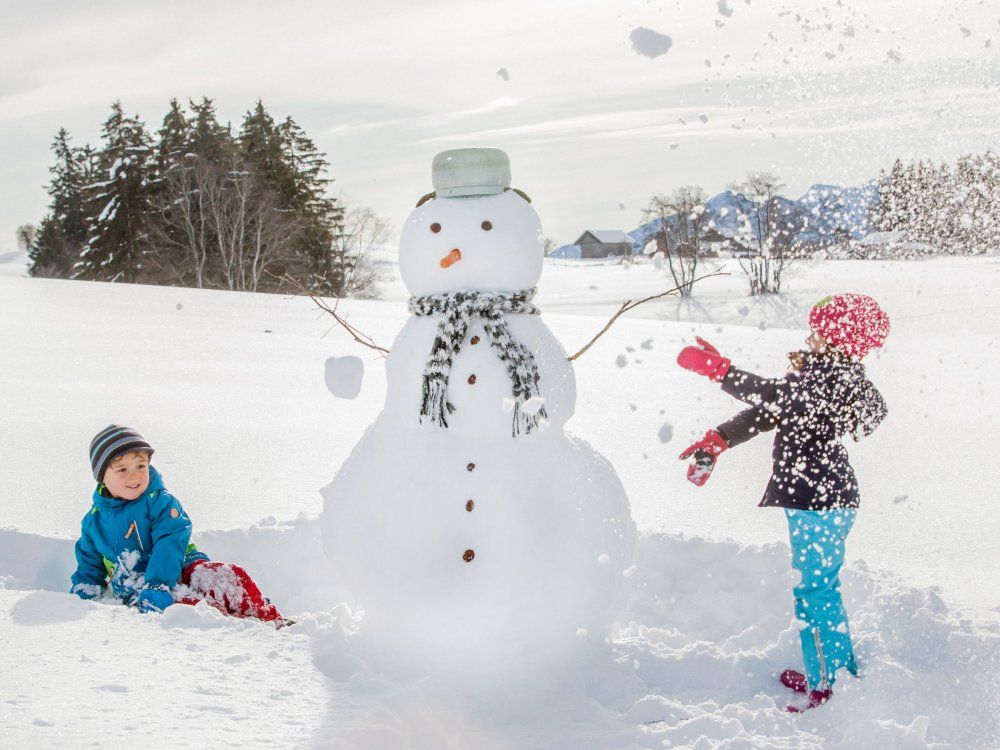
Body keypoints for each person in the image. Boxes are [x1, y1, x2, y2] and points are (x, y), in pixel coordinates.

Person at [676, 293, 890, 712]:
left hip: (819, 501)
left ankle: (825, 686)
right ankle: (834, 673)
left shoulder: (831, 381)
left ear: (837, 340)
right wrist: (718, 440)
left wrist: (720, 372)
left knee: (814, 593)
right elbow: (768, 412)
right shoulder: (822, 382)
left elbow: (770, 395)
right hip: (826, 499)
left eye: (818, 330)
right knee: (821, 589)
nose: (809, 335)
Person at [70, 425, 289, 627]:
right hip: (140, 590)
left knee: (228, 576)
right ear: (102, 478)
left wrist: (158, 584)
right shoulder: (94, 522)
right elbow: (89, 566)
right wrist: (83, 593)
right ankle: (238, 626)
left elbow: (170, 541)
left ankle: (268, 618)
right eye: (122, 469)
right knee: (191, 609)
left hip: (183, 570)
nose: (134, 475)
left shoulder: (160, 503)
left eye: (140, 466)